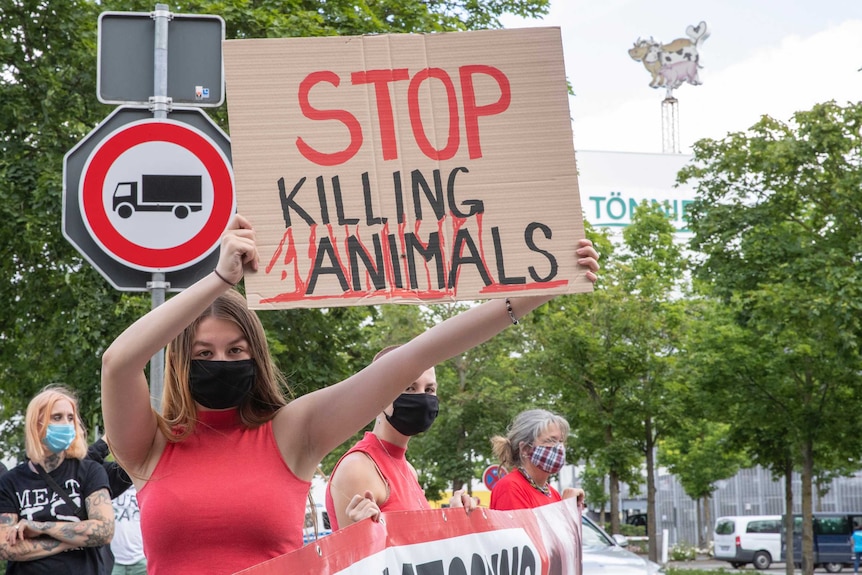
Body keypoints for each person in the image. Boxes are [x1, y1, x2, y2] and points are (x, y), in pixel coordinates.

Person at [100, 213, 599, 575]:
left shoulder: (292, 432)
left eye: (236, 351)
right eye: (204, 354)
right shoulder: (150, 442)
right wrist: (219, 280)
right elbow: (119, 362)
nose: (222, 363)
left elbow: (414, 354)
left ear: (257, 358)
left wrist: (538, 290)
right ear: (182, 362)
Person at [324, 345, 477, 530]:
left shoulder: (409, 470)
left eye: (429, 389)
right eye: (409, 387)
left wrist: (455, 518)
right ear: (377, 394)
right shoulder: (359, 467)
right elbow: (353, 556)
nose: (421, 398)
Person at [0, 386, 115, 574]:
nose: (66, 424)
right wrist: (69, 538)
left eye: (70, 418)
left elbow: (104, 531)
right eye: (57, 417)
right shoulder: (11, 482)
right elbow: (5, 547)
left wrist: (40, 527)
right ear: (36, 424)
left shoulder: (90, 472)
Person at [489, 409, 584, 511]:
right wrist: (566, 508)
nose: (559, 447)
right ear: (525, 449)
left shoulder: (552, 493)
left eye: (561, 441)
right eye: (551, 440)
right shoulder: (510, 487)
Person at [87, 438, 146, 575]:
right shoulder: (105, 476)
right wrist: (110, 438)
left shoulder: (144, 475)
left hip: (141, 560)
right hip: (113, 563)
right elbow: (86, 462)